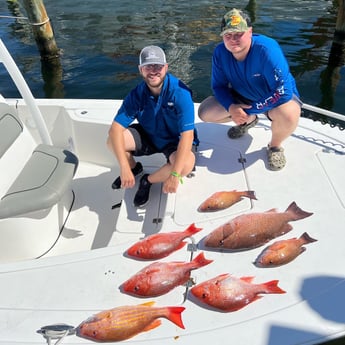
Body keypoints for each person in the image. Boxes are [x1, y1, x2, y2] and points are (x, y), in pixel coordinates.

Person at [198, 8, 302, 171]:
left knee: (289, 114)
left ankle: (274, 146)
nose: (233, 40)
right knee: (205, 112)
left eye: (238, 34)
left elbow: (283, 91)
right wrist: (232, 108)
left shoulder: (267, 50)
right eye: (228, 35)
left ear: (250, 32)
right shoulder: (220, 52)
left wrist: (251, 109)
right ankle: (249, 120)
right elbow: (218, 86)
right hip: (244, 97)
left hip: (275, 100)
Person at [107, 45, 198, 207]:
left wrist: (175, 174)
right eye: (148, 66)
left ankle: (147, 180)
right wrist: (124, 168)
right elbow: (115, 129)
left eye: (158, 66)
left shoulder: (180, 93)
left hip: (175, 141)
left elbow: (187, 135)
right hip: (150, 135)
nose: (153, 71)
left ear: (166, 68)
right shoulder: (136, 94)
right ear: (140, 69)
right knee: (112, 141)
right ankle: (134, 169)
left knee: (185, 166)